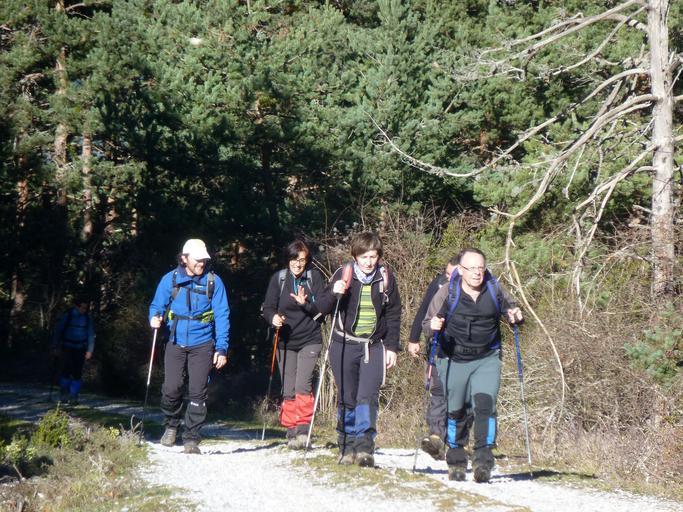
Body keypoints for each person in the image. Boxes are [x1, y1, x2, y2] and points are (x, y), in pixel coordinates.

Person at [429, 248, 522, 483]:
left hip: (486, 358)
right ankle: (456, 459)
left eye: (481, 268)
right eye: (472, 268)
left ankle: (483, 460)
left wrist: (516, 316)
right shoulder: (447, 292)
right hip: (454, 358)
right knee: (456, 410)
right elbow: (427, 324)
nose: (477, 273)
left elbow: (512, 311)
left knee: (485, 405)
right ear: (461, 270)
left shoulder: (494, 288)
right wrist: (433, 326)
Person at [317, 232, 401, 467]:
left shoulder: (385, 277)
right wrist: (334, 292)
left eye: (373, 256)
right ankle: (346, 445)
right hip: (343, 344)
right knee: (347, 396)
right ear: (355, 256)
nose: (369, 262)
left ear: (379, 256)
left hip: (373, 346)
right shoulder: (343, 274)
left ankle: (364, 447)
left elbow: (394, 314)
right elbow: (321, 308)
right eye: (364, 257)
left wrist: (392, 347)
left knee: (368, 396)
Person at [149, 239, 230, 454]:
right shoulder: (170, 279)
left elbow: (222, 315)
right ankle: (171, 425)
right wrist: (154, 317)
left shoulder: (214, 282)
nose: (201, 263)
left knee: (198, 392)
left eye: (204, 259)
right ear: (184, 258)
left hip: (203, 343)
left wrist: (221, 348)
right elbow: (157, 305)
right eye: (197, 259)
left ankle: (192, 438)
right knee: (171, 388)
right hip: (174, 341)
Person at [261, 240, 326, 449]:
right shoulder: (279, 279)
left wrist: (305, 304)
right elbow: (268, 308)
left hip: (310, 339)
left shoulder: (314, 278)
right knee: (288, 388)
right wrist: (273, 318)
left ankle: (303, 431)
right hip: (285, 341)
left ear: (307, 261)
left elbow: (322, 311)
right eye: (294, 259)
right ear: (287, 259)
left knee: (302, 385)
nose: (298, 264)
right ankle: (291, 431)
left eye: (302, 260)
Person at [406, 256, 458, 460]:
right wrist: (413, 338)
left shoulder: (476, 290)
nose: (448, 278)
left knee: (458, 396)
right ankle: (436, 437)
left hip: (463, 352)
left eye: (453, 274)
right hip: (437, 347)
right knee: (437, 391)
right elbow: (423, 310)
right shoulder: (438, 284)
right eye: (447, 273)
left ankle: (455, 442)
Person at [52, 297, 95, 404]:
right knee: (66, 371)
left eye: (86, 308)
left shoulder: (87, 318)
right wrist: (55, 346)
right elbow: (58, 331)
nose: (84, 310)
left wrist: (90, 350)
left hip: (80, 348)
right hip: (67, 347)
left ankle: (74, 396)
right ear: (77, 306)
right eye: (82, 307)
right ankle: (64, 394)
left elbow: (90, 334)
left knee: (77, 373)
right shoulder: (68, 315)